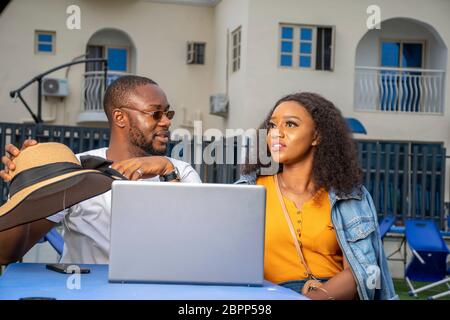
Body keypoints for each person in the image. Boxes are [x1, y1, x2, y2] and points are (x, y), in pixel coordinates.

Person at [0, 75, 201, 265]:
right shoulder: (77, 170)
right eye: (156, 113)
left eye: (168, 113)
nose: (166, 121)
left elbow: (196, 246)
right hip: (87, 291)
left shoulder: (180, 171)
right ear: (120, 117)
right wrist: (23, 183)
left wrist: (167, 171)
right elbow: (6, 253)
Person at [236, 92, 397, 300]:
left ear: (317, 136)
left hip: (332, 295)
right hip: (272, 295)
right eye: (272, 126)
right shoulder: (249, 191)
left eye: (290, 124)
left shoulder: (349, 195)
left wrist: (314, 297)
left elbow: (361, 271)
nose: (277, 133)